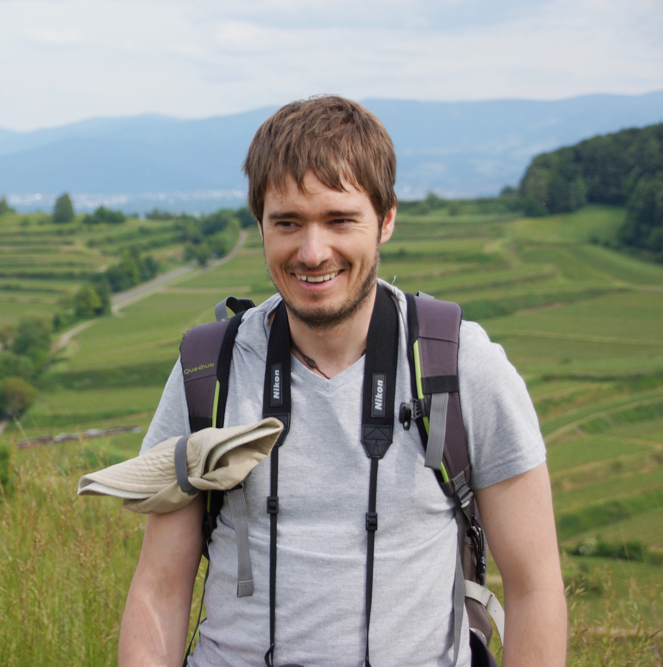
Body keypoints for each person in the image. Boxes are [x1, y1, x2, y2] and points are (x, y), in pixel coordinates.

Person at [118, 96, 567, 667]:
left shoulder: (460, 365)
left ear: (386, 219)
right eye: (287, 223)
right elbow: (159, 590)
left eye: (339, 219)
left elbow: (536, 589)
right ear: (260, 223)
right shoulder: (209, 372)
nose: (312, 252)